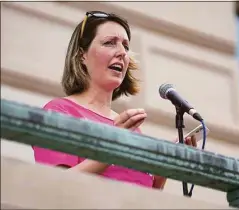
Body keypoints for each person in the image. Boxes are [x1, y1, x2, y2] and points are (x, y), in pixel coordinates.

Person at [33, 11, 197, 190]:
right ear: (82, 55)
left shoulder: (131, 129)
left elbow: (144, 195)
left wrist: (164, 168)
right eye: (109, 43)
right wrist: (112, 146)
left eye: (125, 46)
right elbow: (55, 186)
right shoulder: (59, 111)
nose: (122, 53)